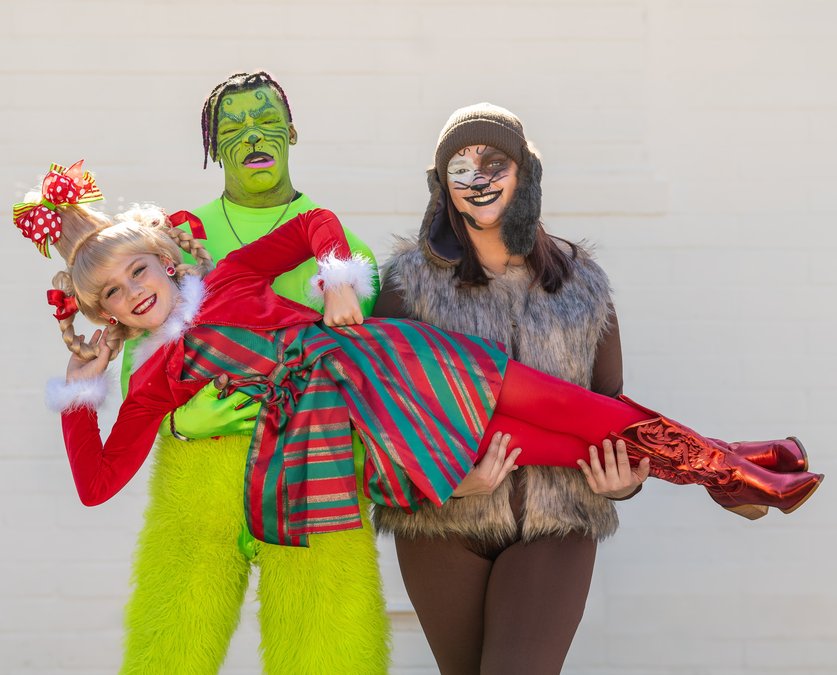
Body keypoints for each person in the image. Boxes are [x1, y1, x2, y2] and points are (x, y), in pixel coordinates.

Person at [370, 103, 822, 674]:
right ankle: (732, 468)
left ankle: (726, 469)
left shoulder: (580, 282)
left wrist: (623, 485)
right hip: (443, 527)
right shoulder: (407, 284)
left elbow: (607, 408)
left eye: (493, 162)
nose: (477, 179)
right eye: (459, 168)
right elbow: (382, 427)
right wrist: (452, 484)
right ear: (443, 187)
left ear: (525, 173)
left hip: (558, 523)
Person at [111, 71, 390, 675]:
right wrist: (180, 419)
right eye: (233, 127)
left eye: (266, 121)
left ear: (292, 132)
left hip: (315, 488)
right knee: (166, 657)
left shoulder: (349, 251)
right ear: (214, 147)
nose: (253, 136)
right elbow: (140, 359)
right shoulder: (175, 242)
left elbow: (374, 381)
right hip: (199, 490)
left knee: (331, 660)